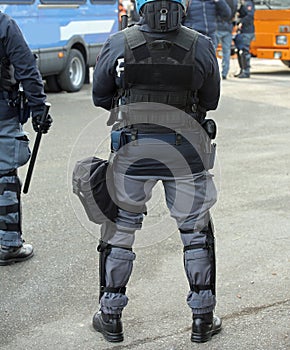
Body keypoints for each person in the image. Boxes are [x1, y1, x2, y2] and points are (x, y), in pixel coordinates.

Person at [92, 0, 221, 344]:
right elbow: (211, 98)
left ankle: (111, 316)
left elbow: (100, 96)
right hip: (186, 150)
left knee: (119, 230)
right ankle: (202, 319)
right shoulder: (201, 44)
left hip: (134, 150)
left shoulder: (119, 42)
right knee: (195, 232)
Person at [0, 12, 52, 266]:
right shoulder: (4, 24)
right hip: (1, 113)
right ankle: (9, 244)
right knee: (4, 176)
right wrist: (39, 108)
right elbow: (26, 69)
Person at [216, 0, 238, 79]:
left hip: (217, 27)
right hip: (228, 27)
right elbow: (234, 14)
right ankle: (225, 72)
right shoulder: (234, 2)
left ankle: (214, 72)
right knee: (226, 51)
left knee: (212, 50)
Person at [234, 0, 255, 78]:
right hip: (242, 31)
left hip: (247, 31)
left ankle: (246, 71)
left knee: (244, 51)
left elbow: (250, 16)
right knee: (239, 51)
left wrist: (241, 22)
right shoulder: (243, 3)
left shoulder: (248, 3)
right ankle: (242, 70)